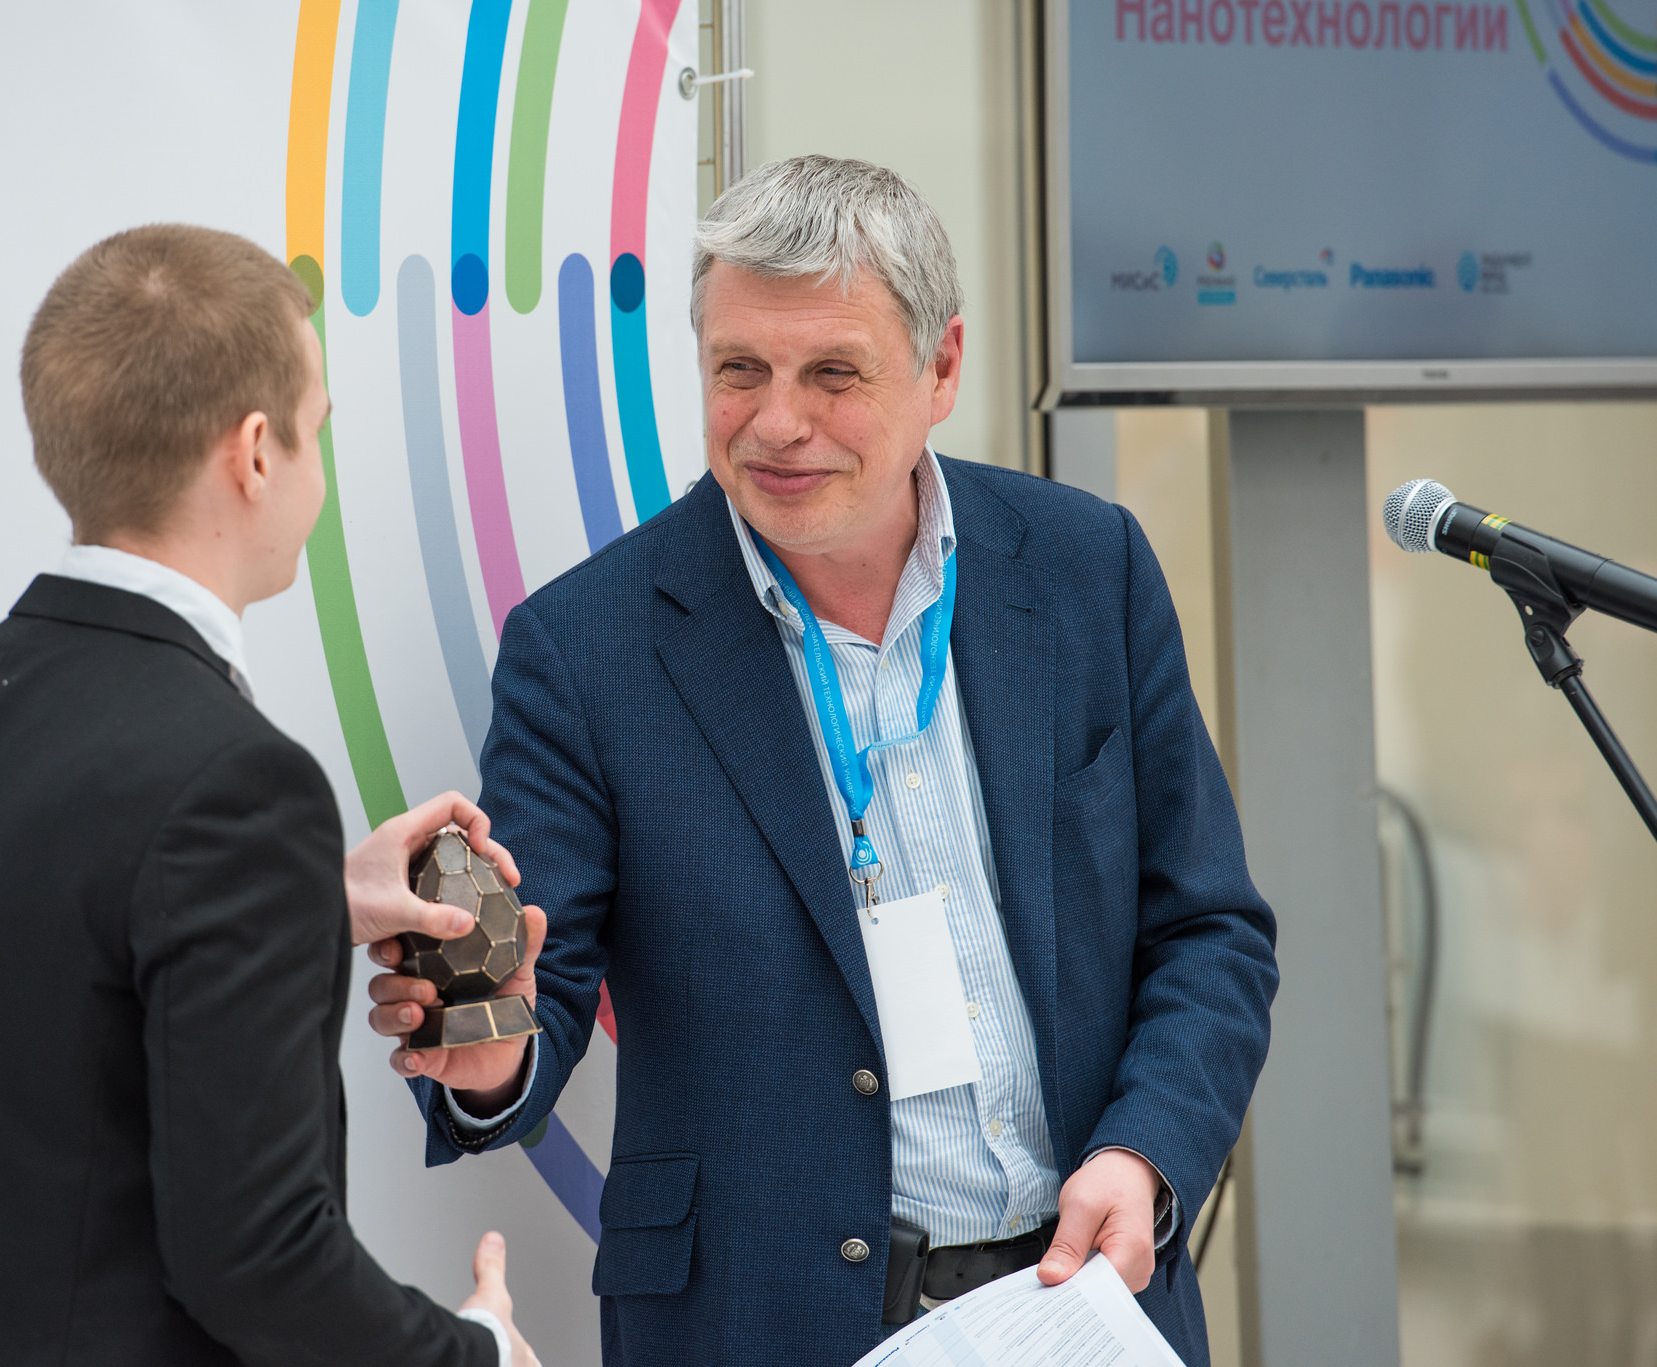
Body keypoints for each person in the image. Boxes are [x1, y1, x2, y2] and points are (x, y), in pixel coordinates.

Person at [365, 157, 1278, 1366]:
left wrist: (1143, 1149)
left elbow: (1209, 929)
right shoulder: (586, 648)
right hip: (759, 1322)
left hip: (1080, 1303)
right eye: (739, 369)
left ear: (941, 366)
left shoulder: (1082, 566)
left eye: (832, 374)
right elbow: (539, 989)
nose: (776, 422)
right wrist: (492, 1061)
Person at [0, 224, 542, 1367]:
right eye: (319, 427)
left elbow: (57, 987)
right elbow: (259, 1258)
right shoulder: (237, 784)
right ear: (256, 453)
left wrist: (308, 900)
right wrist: (479, 1355)